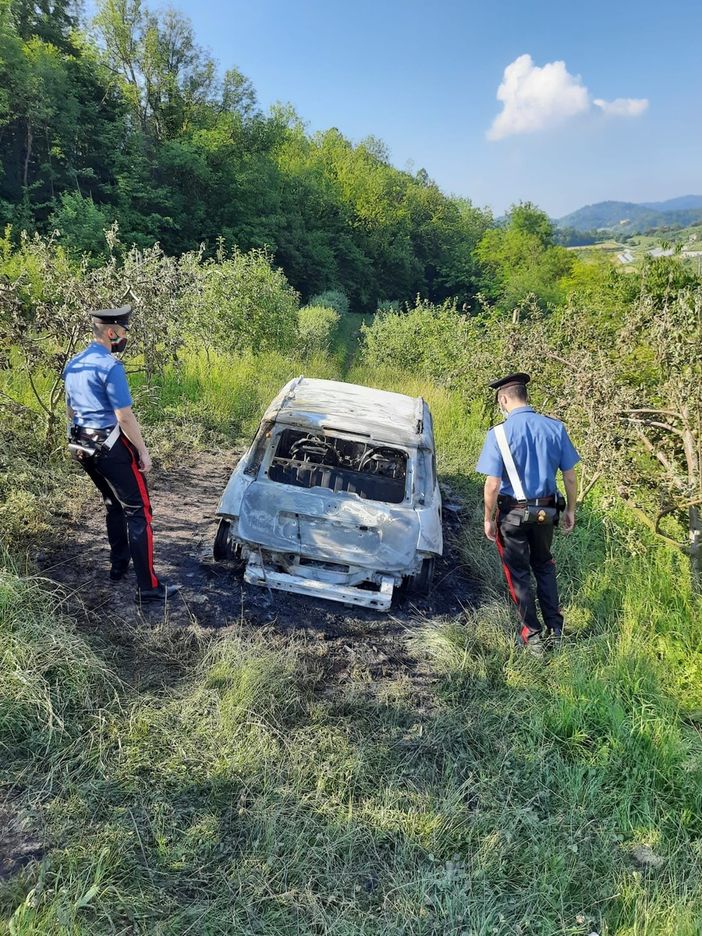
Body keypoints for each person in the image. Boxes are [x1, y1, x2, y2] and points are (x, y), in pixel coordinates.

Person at [63, 306, 179, 605]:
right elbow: (124, 416)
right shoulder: (110, 366)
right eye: (124, 332)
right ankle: (149, 588)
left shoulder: (74, 363)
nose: (125, 337)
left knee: (112, 503)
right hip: (111, 447)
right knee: (139, 512)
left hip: (83, 447)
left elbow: (71, 410)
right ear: (112, 332)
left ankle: (118, 566)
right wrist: (143, 451)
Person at [476, 373, 579, 651]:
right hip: (546, 511)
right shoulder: (555, 428)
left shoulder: (497, 434)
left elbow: (493, 484)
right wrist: (570, 509)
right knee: (544, 565)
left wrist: (488, 519)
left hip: (512, 515)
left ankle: (532, 636)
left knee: (518, 573)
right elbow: (569, 477)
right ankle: (555, 630)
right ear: (525, 396)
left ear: (504, 399)